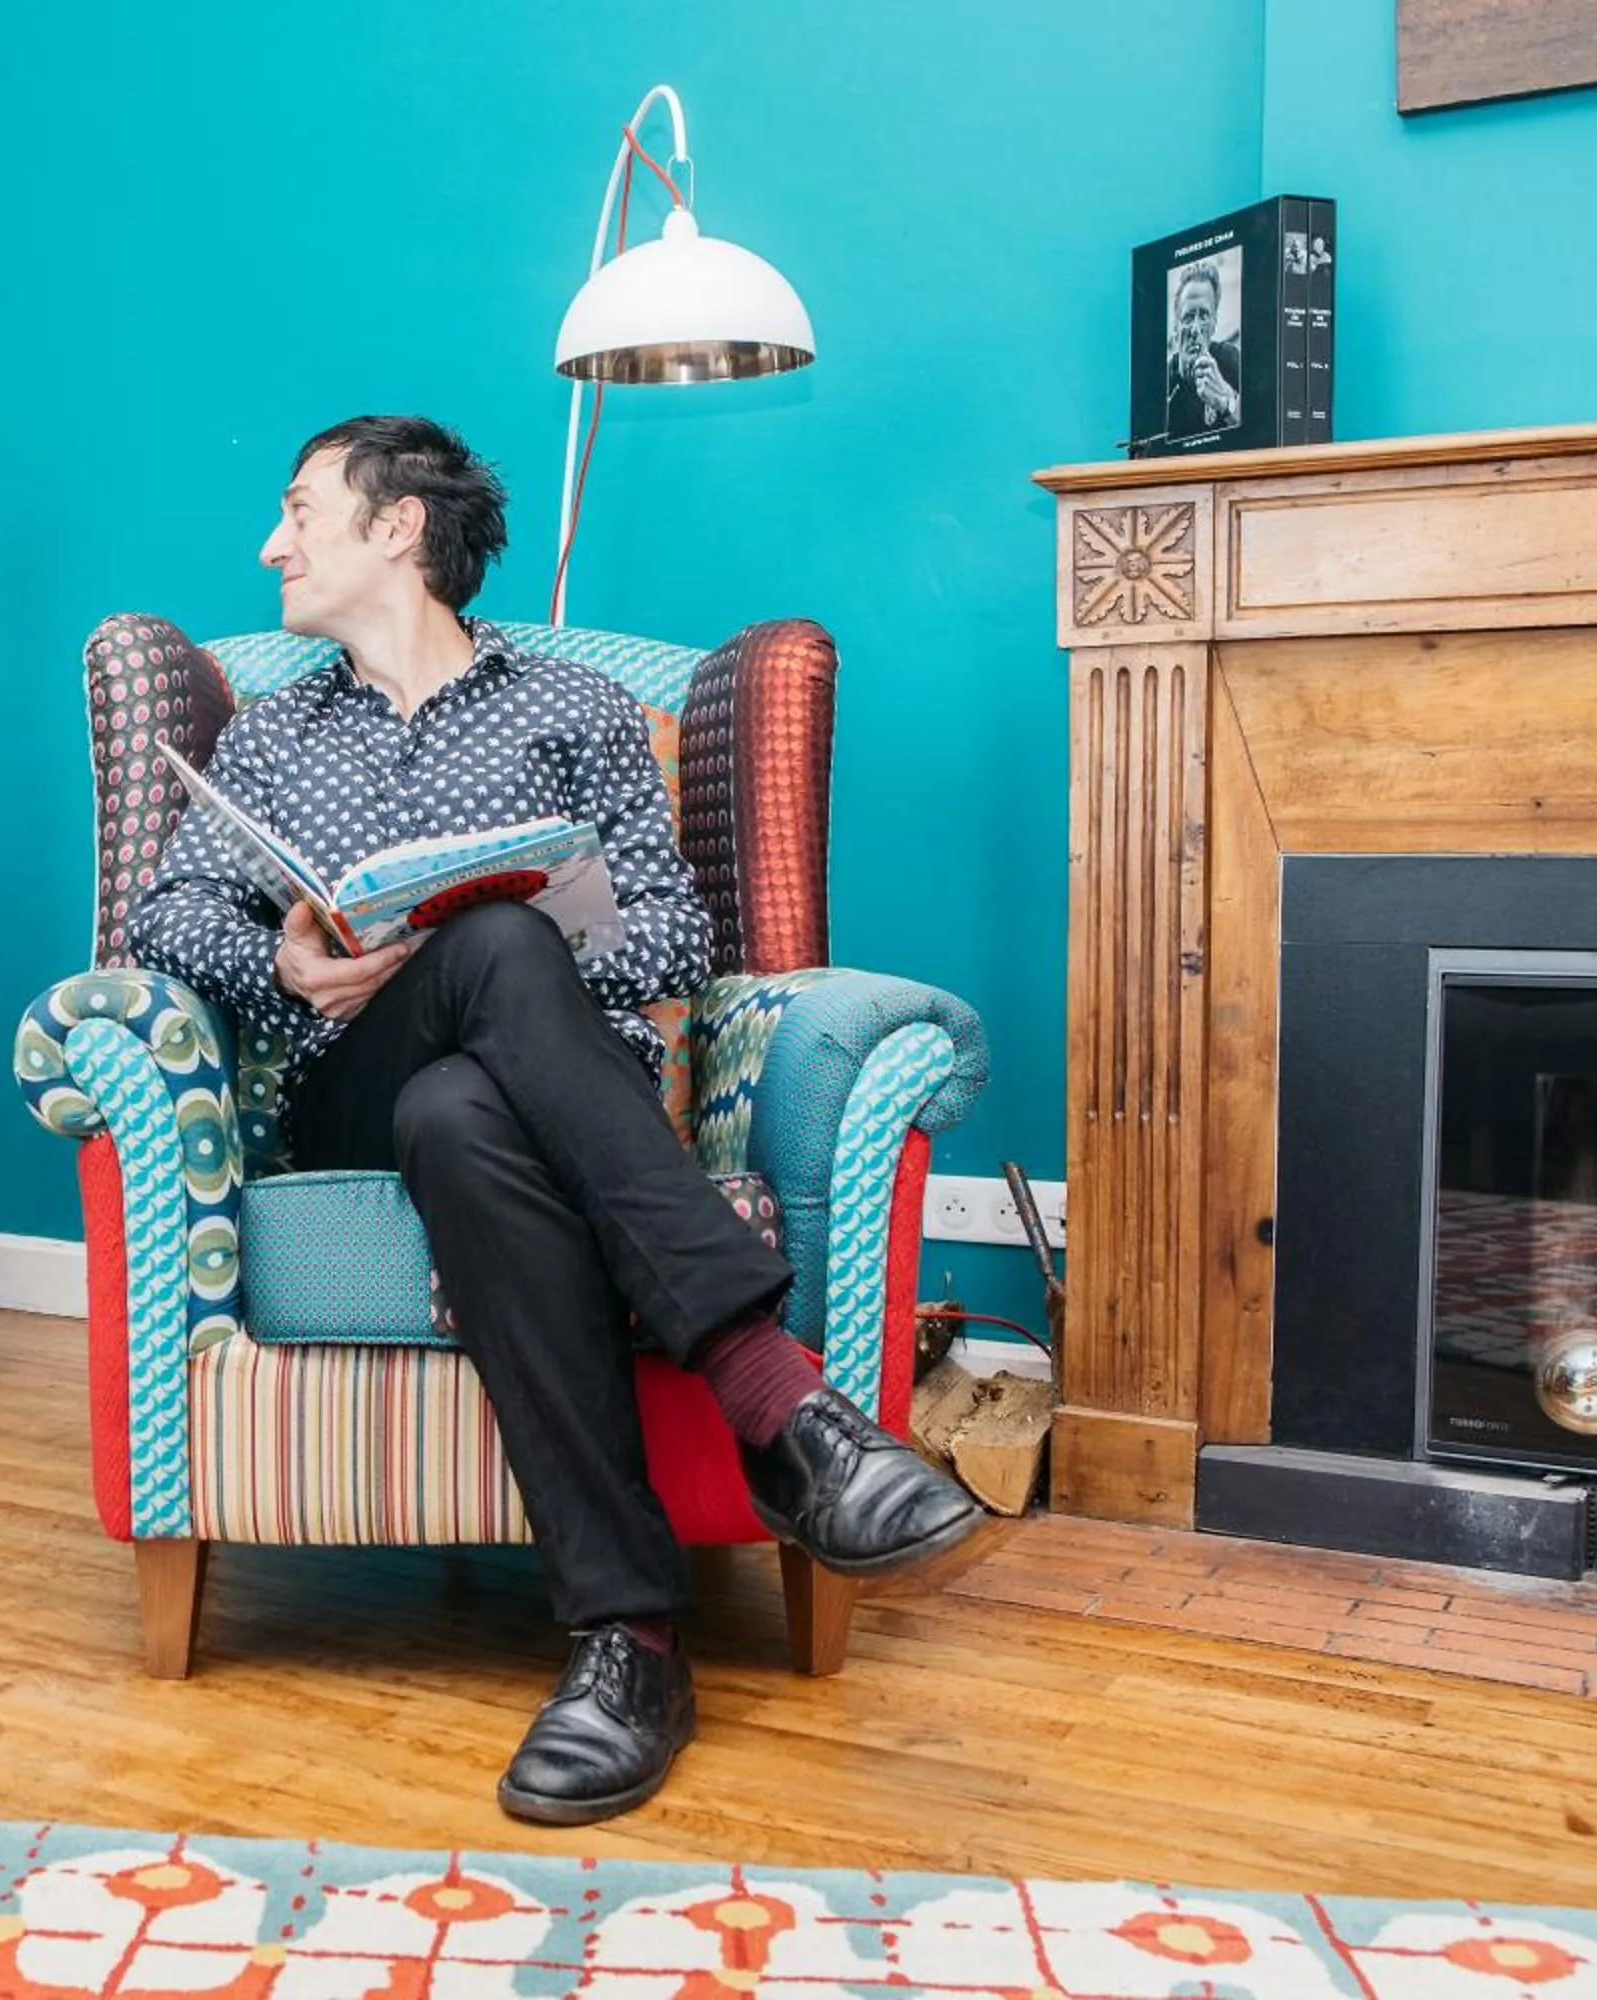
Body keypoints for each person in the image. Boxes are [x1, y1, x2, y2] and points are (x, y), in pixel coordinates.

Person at [127, 416, 979, 1827]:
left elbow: (678, 929)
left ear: (398, 526)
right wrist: (281, 960)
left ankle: (630, 1644)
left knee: (468, 1091)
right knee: (486, 960)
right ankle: (776, 1398)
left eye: (298, 512)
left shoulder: (574, 709)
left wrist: (520, 960)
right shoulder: (274, 735)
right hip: (348, 1088)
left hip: (505, 1103)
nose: (272, 546)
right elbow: (166, 916)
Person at [1165, 259, 1242, 435]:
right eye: (1188, 317)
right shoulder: (1162, 384)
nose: (1195, 329)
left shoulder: (1230, 360)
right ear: (1176, 326)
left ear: (1214, 324)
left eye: (1204, 316)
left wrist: (1226, 400)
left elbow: (1260, 428)